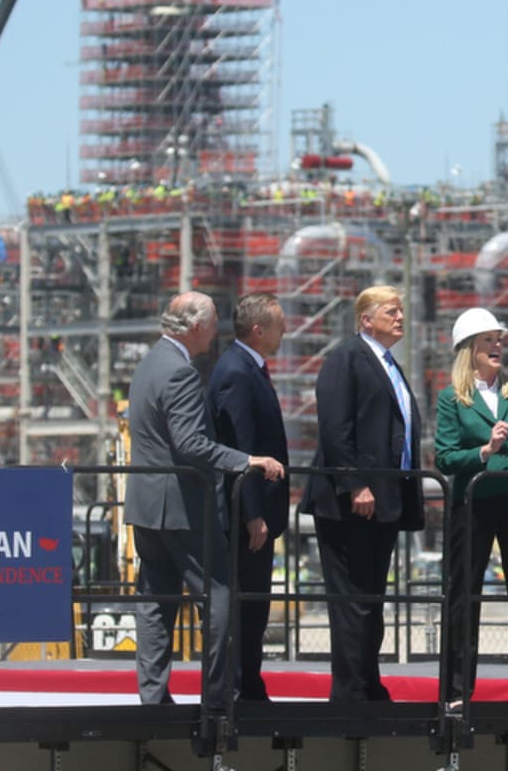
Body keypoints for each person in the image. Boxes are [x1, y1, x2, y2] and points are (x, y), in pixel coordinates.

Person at [126, 292, 286, 706]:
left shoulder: (148, 364)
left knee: (155, 602)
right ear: (196, 327)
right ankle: (218, 697)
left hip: (145, 505)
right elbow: (191, 445)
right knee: (219, 598)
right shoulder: (180, 372)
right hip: (181, 506)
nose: (217, 331)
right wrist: (247, 459)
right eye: (214, 323)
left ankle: (153, 697)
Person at [299, 284, 425, 703]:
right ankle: (349, 691)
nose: (400, 317)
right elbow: (335, 428)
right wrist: (355, 483)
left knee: (371, 597)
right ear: (366, 319)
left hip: (385, 500)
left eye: (401, 310)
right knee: (351, 598)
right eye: (391, 311)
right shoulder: (346, 358)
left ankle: (368, 682)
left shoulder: (388, 364)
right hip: (350, 502)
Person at [433, 308, 508, 704]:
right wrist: (485, 450)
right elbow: (445, 458)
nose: (498, 346)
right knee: (463, 595)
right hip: (474, 502)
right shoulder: (452, 399)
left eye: (499, 339)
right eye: (488, 340)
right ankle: (455, 691)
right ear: (469, 349)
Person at [208, 291, 292, 704]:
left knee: (256, 604)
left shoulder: (249, 368)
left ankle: (251, 684)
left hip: (257, 512)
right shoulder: (237, 373)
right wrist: (252, 514)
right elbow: (241, 447)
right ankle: (241, 687)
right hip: (246, 517)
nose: (285, 332)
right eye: (279, 324)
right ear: (258, 330)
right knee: (247, 604)